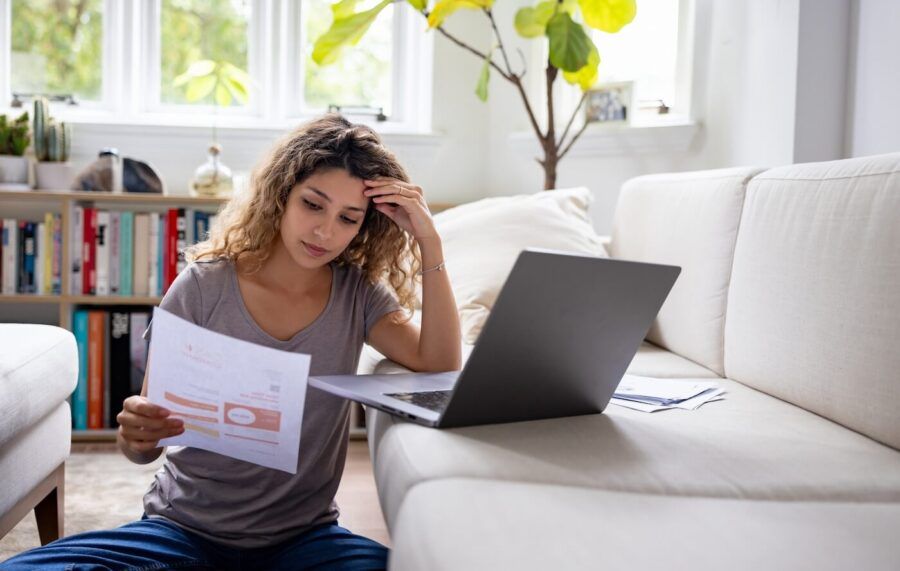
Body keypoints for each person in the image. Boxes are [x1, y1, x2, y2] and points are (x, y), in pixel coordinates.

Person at [2, 114, 462, 570]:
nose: (326, 231)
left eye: (348, 218)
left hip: (306, 540)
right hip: (182, 531)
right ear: (282, 195)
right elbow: (143, 447)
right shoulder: (203, 285)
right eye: (313, 205)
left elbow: (438, 359)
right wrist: (136, 435)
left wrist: (429, 241)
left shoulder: (358, 295)